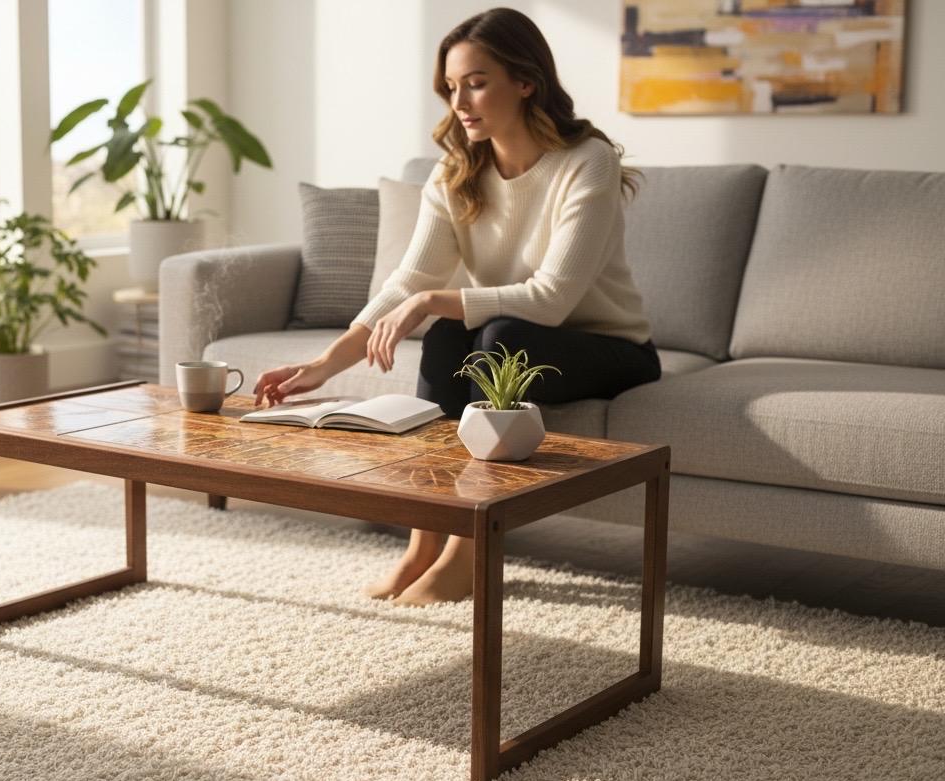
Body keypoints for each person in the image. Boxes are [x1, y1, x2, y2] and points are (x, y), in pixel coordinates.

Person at [252, 7, 661, 606]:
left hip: (612, 349)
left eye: (476, 81)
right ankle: (425, 540)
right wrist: (324, 364)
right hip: (518, 340)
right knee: (449, 335)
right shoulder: (456, 171)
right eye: (451, 86)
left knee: (493, 337)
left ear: (526, 81)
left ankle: (469, 553)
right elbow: (409, 278)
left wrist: (432, 299)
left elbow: (550, 299)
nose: (459, 102)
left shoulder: (586, 162)